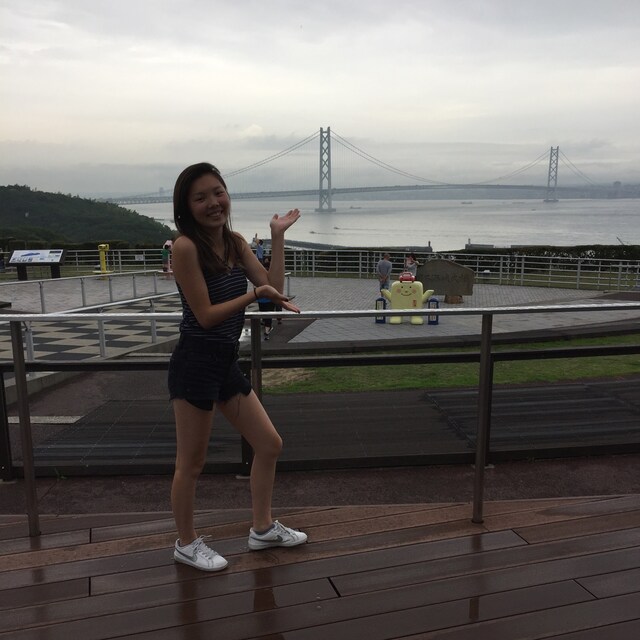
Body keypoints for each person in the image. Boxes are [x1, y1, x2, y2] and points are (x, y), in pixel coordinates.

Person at [168, 162, 308, 572]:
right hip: (195, 364)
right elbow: (206, 316)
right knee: (191, 464)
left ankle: (262, 529)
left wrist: (277, 237)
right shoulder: (185, 248)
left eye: (218, 192)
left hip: (225, 362)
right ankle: (186, 543)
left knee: (269, 444)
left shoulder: (235, 242)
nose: (213, 202)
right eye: (201, 197)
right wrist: (252, 296)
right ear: (186, 207)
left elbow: (274, 290)